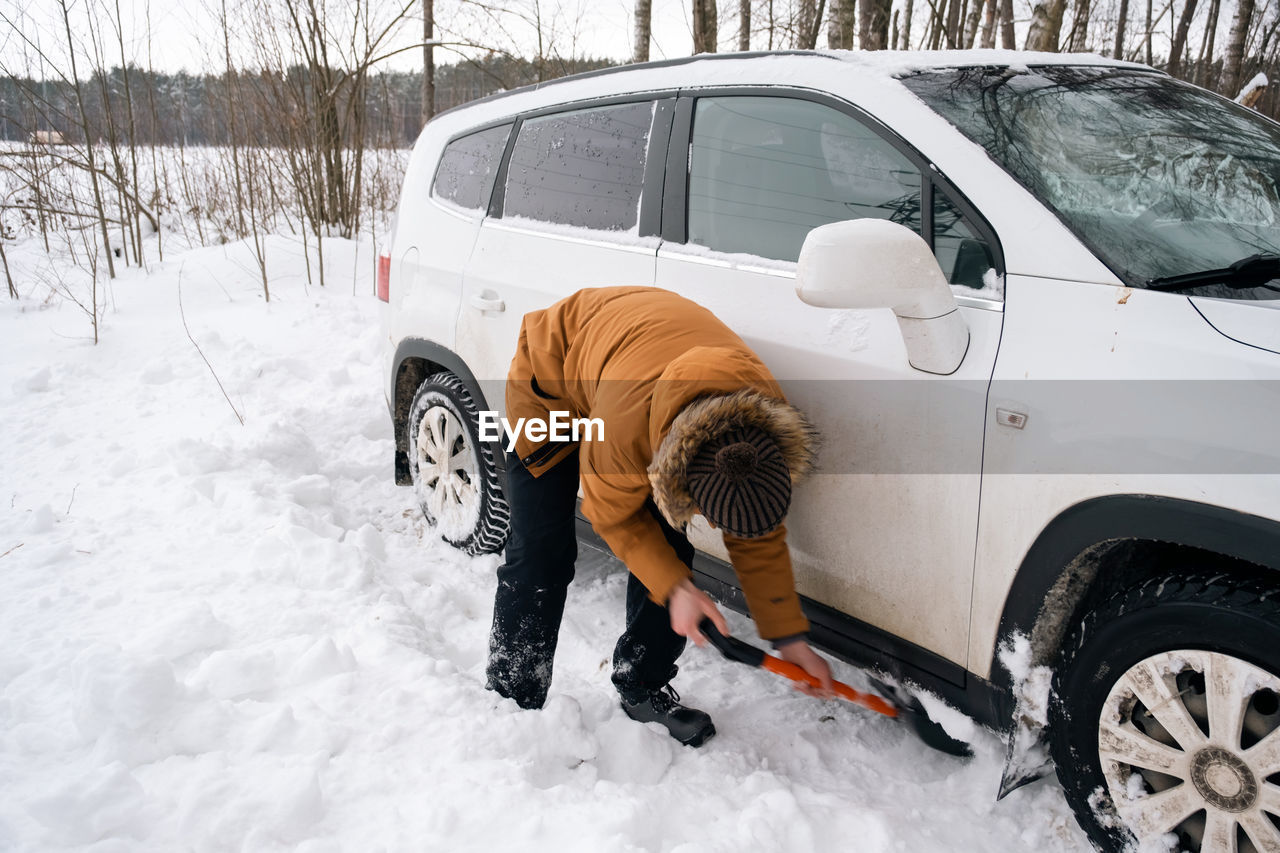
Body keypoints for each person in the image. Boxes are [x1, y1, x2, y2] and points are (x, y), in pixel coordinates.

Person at [485, 286, 833, 747]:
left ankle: (641, 683)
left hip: (638, 364)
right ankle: (513, 696)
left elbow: (755, 527)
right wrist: (675, 588)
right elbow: (612, 516)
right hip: (551, 377)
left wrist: (789, 636)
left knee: (669, 546)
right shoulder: (624, 431)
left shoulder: (761, 418)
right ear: (679, 473)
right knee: (542, 549)